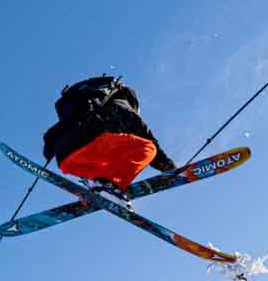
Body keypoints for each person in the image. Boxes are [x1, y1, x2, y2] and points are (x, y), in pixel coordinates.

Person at [41, 75, 180, 193]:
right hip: (94, 144)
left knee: (107, 166)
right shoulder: (120, 103)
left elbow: (49, 139)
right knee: (148, 148)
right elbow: (144, 134)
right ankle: (110, 188)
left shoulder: (76, 112)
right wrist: (167, 166)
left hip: (68, 161)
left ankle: (99, 188)